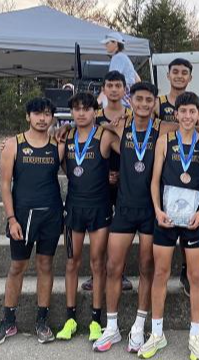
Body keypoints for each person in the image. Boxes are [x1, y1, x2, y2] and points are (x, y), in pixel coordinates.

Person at [92, 82, 199, 353]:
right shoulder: (120, 126)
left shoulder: (162, 129)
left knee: (149, 269)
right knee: (113, 267)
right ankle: (111, 327)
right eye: (139, 100)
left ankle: (139, 326)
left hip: (153, 211)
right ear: (131, 101)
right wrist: (60, 129)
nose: (145, 104)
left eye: (149, 100)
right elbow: (88, 127)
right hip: (124, 208)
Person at [138, 92, 199, 360]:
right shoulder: (164, 141)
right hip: (167, 218)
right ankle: (157, 333)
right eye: (183, 111)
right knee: (160, 273)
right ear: (176, 114)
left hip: (193, 219)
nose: (188, 116)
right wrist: (157, 210)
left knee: (195, 277)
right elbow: (154, 180)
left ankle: (195, 336)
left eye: (193, 111)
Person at [0, 97, 64, 345]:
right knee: (17, 267)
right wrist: (11, 219)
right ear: (28, 116)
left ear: (52, 117)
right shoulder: (13, 144)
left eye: (47, 114)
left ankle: (42, 320)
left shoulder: (58, 144)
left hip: (51, 214)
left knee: (45, 266)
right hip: (22, 216)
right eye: (37, 113)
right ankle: (8, 320)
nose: (42, 118)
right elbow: (4, 184)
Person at [56, 92, 120, 342]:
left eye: (86, 109)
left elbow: (130, 153)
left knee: (96, 264)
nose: (81, 113)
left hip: (100, 208)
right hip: (74, 208)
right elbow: (57, 162)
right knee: (71, 262)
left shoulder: (104, 136)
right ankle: (70, 318)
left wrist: (115, 174)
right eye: (76, 109)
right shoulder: (65, 135)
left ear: (96, 111)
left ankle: (95, 320)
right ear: (71, 113)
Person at [80, 71, 133, 292]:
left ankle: (120, 273)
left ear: (124, 89)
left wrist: (123, 173)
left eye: (117, 85)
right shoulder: (95, 115)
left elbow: (135, 147)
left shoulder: (132, 114)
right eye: (109, 85)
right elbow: (81, 137)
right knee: (101, 230)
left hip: (128, 180)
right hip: (99, 180)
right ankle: (97, 274)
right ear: (104, 88)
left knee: (122, 230)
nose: (113, 89)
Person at [99, 31, 140, 108]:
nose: (105, 45)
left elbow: (111, 80)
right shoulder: (125, 58)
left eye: (107, 43)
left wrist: (98, 100)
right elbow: (138, 80)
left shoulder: (117, 57)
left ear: (115, 43)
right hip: (129, 101)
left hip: (120, 101)